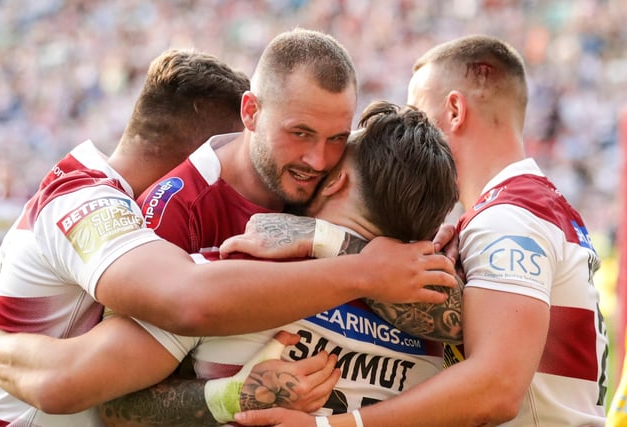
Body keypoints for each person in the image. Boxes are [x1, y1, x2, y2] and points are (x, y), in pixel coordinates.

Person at [0, 29, 457, 426]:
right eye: (299, 134)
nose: (318, 160)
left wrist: (333, 243)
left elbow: (466, 319)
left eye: (336, 139)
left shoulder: (314, 203)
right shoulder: (130, 208)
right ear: (249, 117)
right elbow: (102, 383)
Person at [229, 34, 609, 427]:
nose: (409, 130)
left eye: (417, 109)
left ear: (455, 110)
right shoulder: (532, 206)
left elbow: (496, 388)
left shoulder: (508, 218)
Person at [98, 100, 461, 426]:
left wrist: (230, 398)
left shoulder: (230, 269)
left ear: (337, 181)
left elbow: (115, 405)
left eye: (335, 152)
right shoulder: (439, 323)